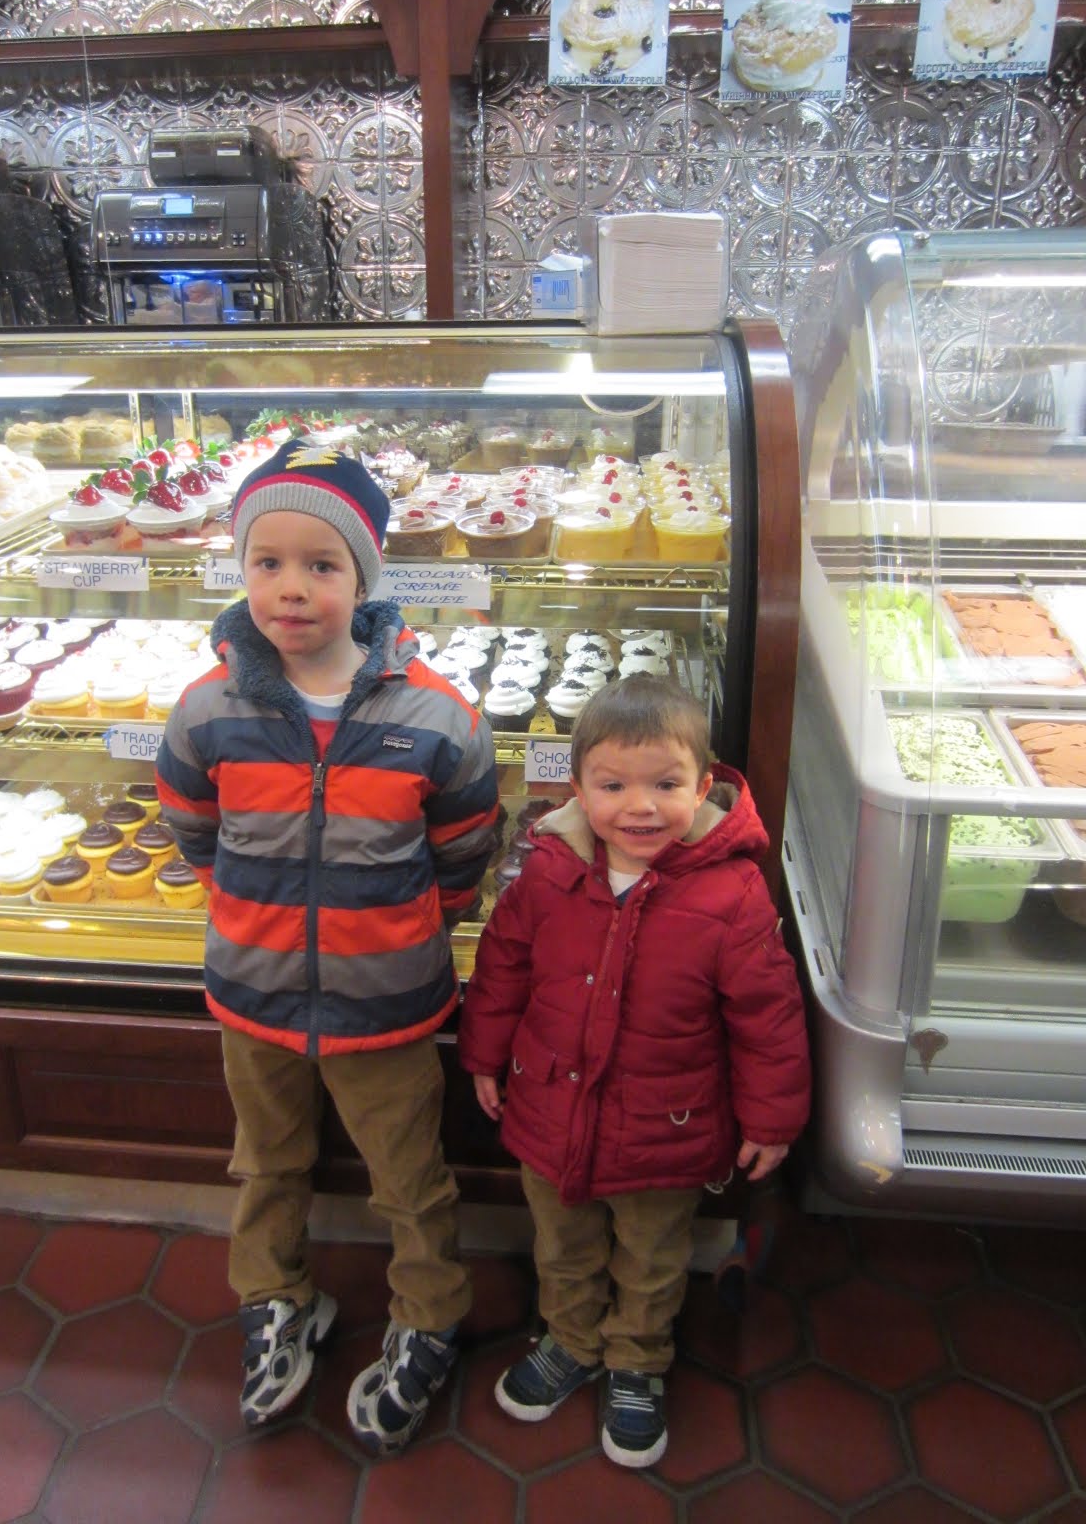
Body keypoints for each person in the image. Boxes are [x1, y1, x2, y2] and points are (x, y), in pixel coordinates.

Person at [155, 441, 499, 1455]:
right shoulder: (208, 709)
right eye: (267, 562)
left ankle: (429, 1315)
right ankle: (276, 1297)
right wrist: (253, 915)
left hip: (386, 1001)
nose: (292, 588)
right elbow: (193, 831)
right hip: (253, 995)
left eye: (322, 563)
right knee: (267, 1163)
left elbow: (463, 854)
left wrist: (401, 930)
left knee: (410, 1176)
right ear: (240, 570)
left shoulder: (436, 716)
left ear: (364, 576)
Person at [458, 674, 809, 1469]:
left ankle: (637, 1360)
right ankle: (571, 1340)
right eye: (613, 786)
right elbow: (504, 966)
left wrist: (772, 1119)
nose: (639, 807)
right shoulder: (548, 871)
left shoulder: (733, 893)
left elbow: (768, 1016)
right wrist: (483, 1053)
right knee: (563, 1244)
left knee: (651, 1258)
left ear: (704, 786)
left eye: (665, 785)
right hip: (550, 1108)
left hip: (666, 1129)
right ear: (578, 789)